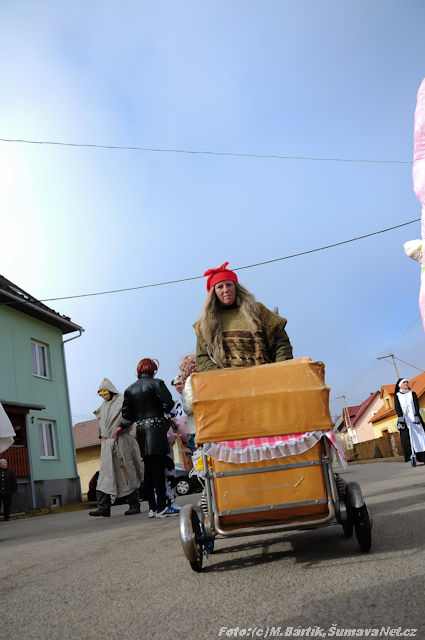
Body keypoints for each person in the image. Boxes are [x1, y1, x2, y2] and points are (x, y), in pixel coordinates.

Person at [194, 261, 293, 371]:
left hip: (264, 378)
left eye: (229, 284)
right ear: (213, 293)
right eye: (220, 287)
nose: (226, 290)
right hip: (227, 383)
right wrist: (221, 376)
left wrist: (279, 368)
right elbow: (202, 358)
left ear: (236, 287)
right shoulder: (205, 323)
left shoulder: (257, 311)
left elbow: (281, 343)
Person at [121, 359, 174, 518]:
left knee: (148, 471)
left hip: (142, 431)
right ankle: (162, 507)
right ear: (153, 370)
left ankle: (151, 508)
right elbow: (169, 404)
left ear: (138, 371)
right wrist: (159, 408)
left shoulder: (129, 389)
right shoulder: (157, 383)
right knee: (158, 469)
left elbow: (127, 415)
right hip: (157, 428)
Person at [89, 378, 143, 517]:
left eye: (104, 391)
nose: (102, 394)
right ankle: (103, 507)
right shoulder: (104, 406)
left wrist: (122, 427)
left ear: (110, 390)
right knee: (105, 475)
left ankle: (134, 505)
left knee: (127, 472)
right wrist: (101, 436)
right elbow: (102, 422)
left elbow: (131, 416)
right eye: (100, 392)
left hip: (122, 442)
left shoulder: (122, 400)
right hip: (108, 445)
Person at [394, 378, 425, 465]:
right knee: (406, 439)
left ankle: (423, 456)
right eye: (404, 382)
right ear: (400, 385)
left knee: (420, 436)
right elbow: (397, 407)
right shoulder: (397, 395)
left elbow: (416, 404)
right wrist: (400, 417)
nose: (406, 383)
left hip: (415, 419)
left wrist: (416, 415)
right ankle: (410, 455)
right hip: (404, 420)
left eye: (407, 382)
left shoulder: (412, 394)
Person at [180, 354, 199, 451]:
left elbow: (190, 405)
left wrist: (184, 408)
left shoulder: (190, 381)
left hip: (196, 426)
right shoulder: (203, 378)